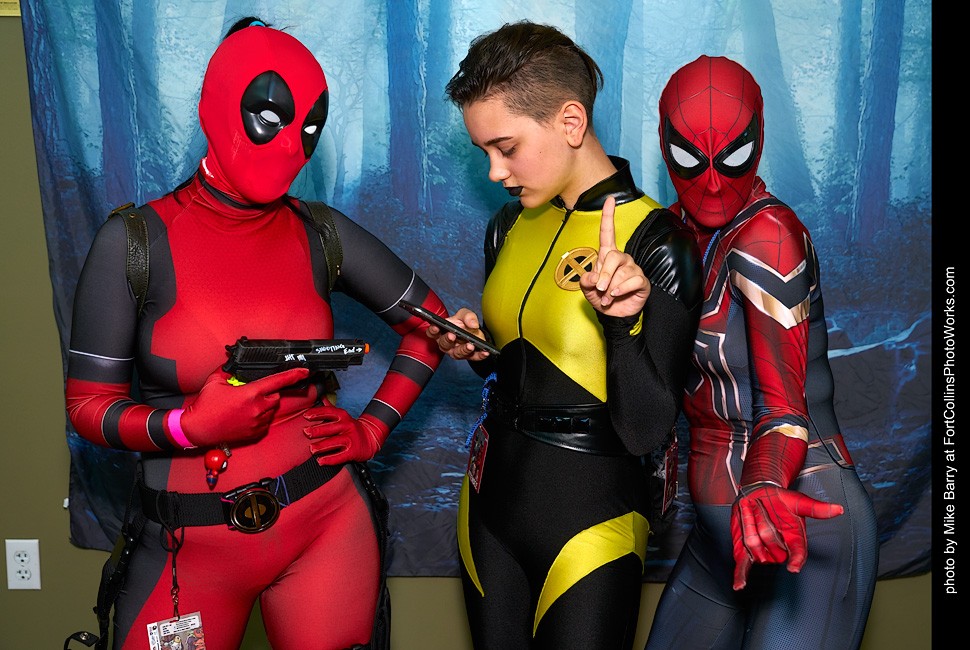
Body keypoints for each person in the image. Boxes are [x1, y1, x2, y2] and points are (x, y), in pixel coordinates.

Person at [65, 17, 445, 650]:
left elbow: (433, 331)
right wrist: (188, 426)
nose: (292, 146)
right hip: (190, 548)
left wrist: (373, 429)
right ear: (216, 106)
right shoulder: (135, 243)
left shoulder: (320, 233)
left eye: (310, 129)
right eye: (270, 118)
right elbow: (86, 406)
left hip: (326, 527)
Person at [431, 20, 703, 649]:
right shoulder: (508, 224)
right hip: (487, 510)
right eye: (484, 152)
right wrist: (479, 349)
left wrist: (619, 326)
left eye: (506, 147)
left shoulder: (661, 243)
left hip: (590, 519)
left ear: (571, 122)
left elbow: (647, 429)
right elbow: (531, 366)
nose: (495, 171)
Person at [644, 55, 879, 649]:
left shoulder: (766, 236)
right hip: (718, 533)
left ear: (759, 141)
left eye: (734, 158)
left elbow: (782, 407)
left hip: (795, 514)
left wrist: (765, 482)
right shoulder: (666, 233)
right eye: (691, 160)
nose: (713, 183)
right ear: (664, 146)